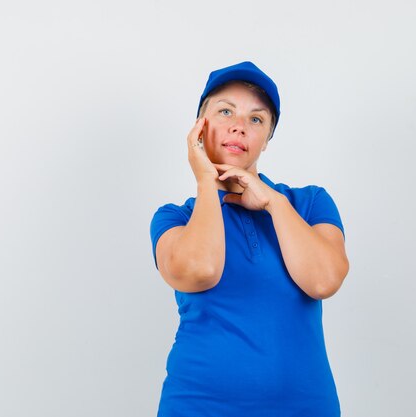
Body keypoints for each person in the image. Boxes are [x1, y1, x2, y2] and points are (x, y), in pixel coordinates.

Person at [149, 61, 349, 417]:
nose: (239, 126)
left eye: (256, 119)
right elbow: (199, 269)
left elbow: (324, 280)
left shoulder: (309, 203)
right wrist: (206, 183)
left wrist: (273, 202)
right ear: (199, 128)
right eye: (225, 111)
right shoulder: (174, 218)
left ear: (267, 139)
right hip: (197, 406)